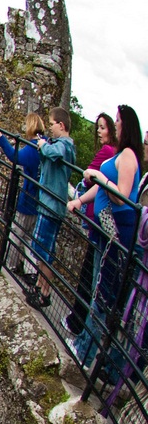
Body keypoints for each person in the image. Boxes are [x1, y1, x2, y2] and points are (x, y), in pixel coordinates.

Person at [66, 105, 142, 354]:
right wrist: (80, 200)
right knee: (96, 289)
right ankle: (83, 347)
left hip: (115, 233)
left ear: (126, 124)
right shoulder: (121, 154)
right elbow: (101, 190)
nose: (116, 124)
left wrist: (99, 175)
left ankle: (84, 352)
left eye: (118, 120)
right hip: (103, 231)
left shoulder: (128, 155)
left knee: (102, 295)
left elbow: (120, 196)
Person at [65, 112, 120, 333]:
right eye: (98, 127)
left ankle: (77, 325)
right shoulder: (115, 154)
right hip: (97, 219)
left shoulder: (109, 152)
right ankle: (79, 325)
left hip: (97, 222)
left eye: (104, 127)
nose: (99, 131)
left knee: (90, 277)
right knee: (92, 277)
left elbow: (89, 175)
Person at [20, 107, 76, 310]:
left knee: (45, 252)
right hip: (48, 204)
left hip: (52, 206)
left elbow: (55, 153)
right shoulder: (60, 144)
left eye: (51, 124)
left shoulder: (65, 145)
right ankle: (39, 286)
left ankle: (44, 292)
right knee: (42, 250)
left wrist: (42, 145)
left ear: (61, 125)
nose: (50, 128)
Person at [0, 112, 44, 277]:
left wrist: (0, 137)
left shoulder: (33, 149)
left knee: (16, 232)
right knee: (29, 238)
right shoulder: (45, 144)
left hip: (28, 198)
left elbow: (16, 157)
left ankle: (9, 265)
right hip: (40, 200)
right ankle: (30, 272)